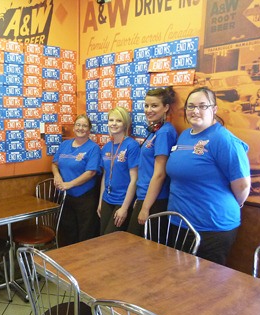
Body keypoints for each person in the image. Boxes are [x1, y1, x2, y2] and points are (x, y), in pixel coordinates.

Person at [166, 86, 251, 265]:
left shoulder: (223, 140)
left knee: (205, 286)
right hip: (180, 223)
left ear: (214, 109)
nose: (195, 111)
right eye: (190, 106)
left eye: (202, 106)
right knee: (178, 280)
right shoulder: (184, 136)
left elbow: (242, 186)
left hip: (211, 227)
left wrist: (236, 202)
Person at [127, 87, 178, 236]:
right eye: (146, 105)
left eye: (154, 105)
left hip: (156, 200)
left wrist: (145, 207)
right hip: (145, 196)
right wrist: (141, 198)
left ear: (166, 108)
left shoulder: (164, 132)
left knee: (140, 248)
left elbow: (159, 174)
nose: (149, 110)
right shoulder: (155, 131)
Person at [52, 114, 101, 246]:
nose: (81, 128)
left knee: (85, 236)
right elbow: (54, 164)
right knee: (68, 233)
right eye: (78, 125)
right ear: (74, 128)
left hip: (85, 198)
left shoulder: (93, 148)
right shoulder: (64, 145)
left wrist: (69, 184)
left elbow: (91, 173)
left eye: (85, 125)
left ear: (89, 130)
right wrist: (57, 176)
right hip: (66, 197)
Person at [98, 107, 139, 235]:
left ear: (125, 124)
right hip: (107, 199)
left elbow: (134, 179)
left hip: (121, 201)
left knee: (113, 240)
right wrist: (100, 202)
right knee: (103, 237)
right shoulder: (106, 147)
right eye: (111, 120)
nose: (114, 124)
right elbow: (105, 175)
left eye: (118, 120)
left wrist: (125, 208)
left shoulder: (131, 145)